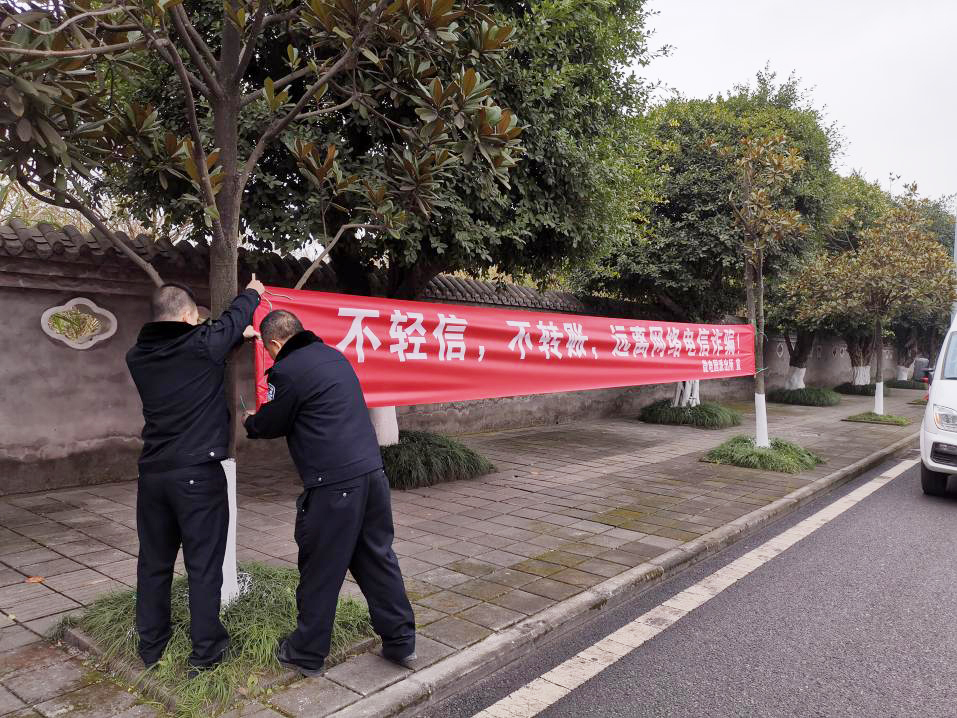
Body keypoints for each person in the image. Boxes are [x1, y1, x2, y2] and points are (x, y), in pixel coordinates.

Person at [244, 309, 416, 676]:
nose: (271, 358)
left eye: (269, 351)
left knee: (320, 568)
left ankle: (304, 653)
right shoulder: (334, 357)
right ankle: (401, 641)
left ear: (275, 343)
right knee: (377, 560)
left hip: (334, 486)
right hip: (372, 476)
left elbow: (273, 421)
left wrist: (249, 421)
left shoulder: (287, 371)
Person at [126, 276, 264, 673]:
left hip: (153, 476)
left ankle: (151, 646)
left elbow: (208, 348)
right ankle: (206, 652)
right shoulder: (200, 344)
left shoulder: (138, 356)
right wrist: (252, 292)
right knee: (203, 565)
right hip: (197, 476)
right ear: (188, 315)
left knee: (154, 562)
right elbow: (230, 321)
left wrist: (231, 339)